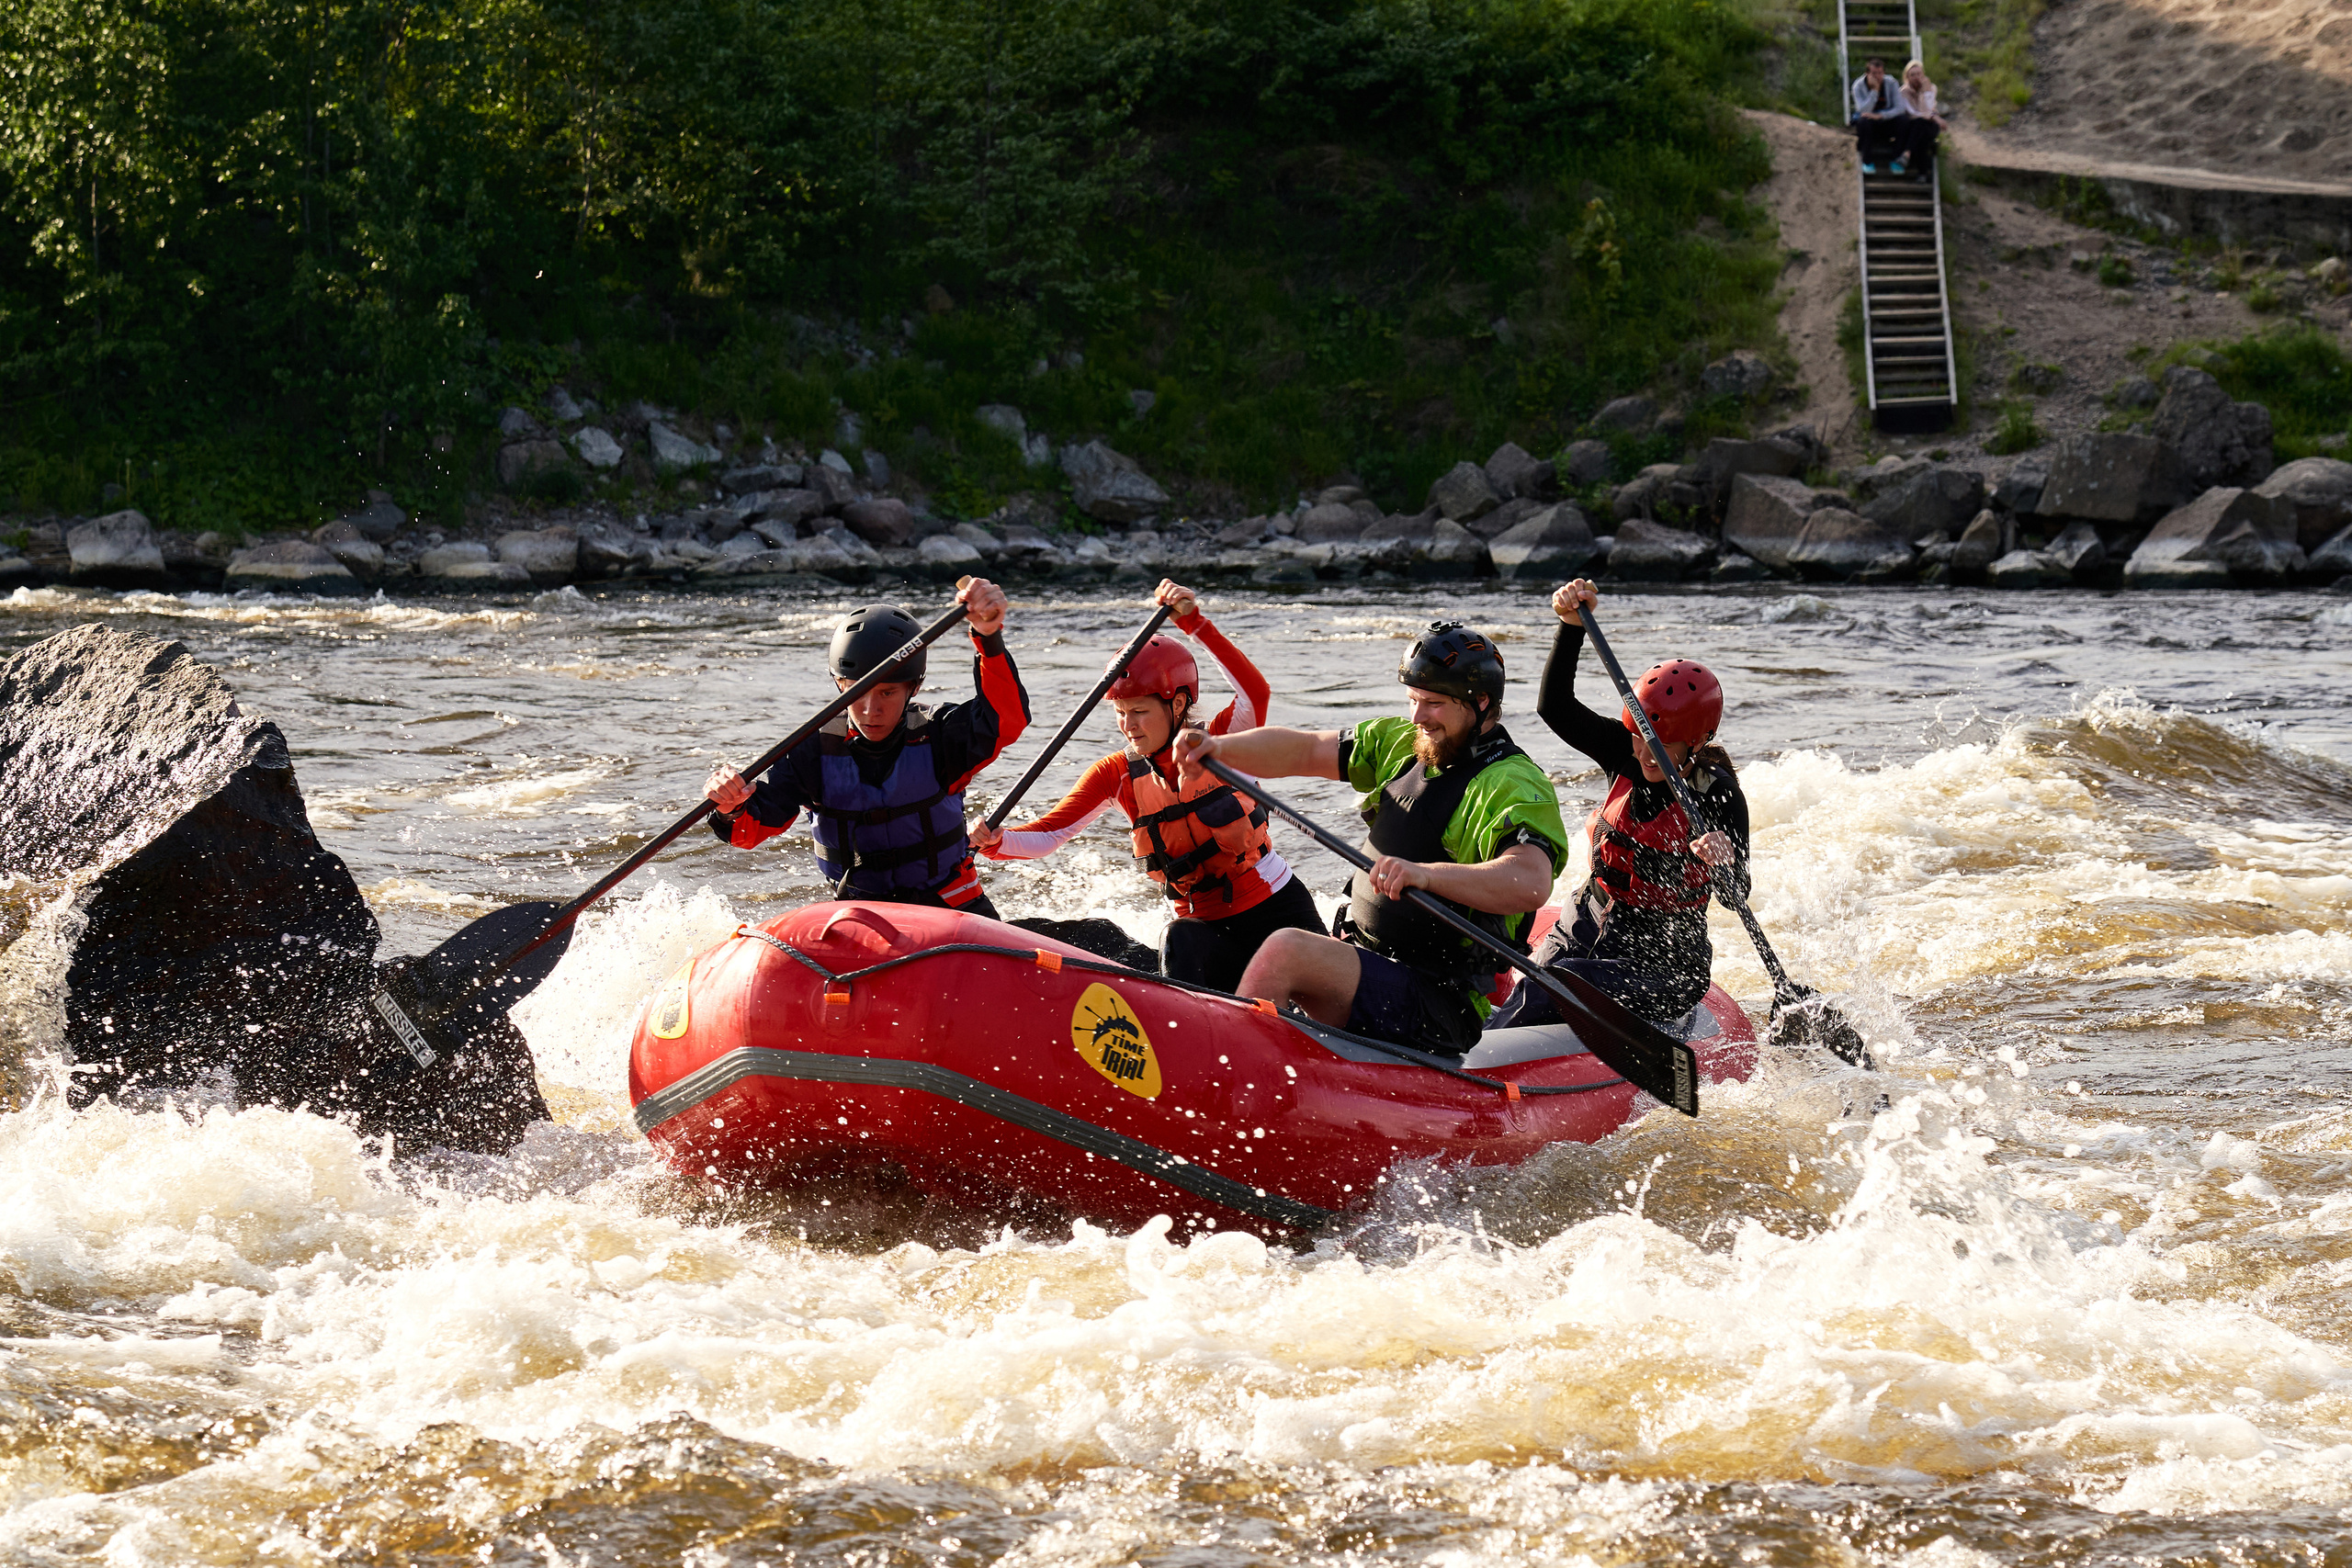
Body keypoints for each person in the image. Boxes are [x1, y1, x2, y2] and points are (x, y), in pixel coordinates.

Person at [1170, 623, 1567, 1055]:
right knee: (1191, 941)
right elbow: (1303, 750)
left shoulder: (1513, 783)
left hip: (1438, 999)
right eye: (1414, 700)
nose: (1418, 717)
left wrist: (1426, 875)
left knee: (1286, 949)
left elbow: (1531, 880)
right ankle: (1218, 1050)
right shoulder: (1402, 743)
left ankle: (1231, 1080)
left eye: (1433, 704)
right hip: (1371, 962)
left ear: (1481, 701)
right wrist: (1219, 748)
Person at [970, 579, 1322, 992]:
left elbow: (1254, 691)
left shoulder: (1225, 741)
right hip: (1204, 932)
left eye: (1139, 710)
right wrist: (993, 841)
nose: (1128, 725)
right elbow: (1050, 834)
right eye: (1121, 712)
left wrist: (1195, 623)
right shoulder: (1116, 774)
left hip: (1277, 911)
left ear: (1177, 704)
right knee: (1176, 937)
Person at [1485, 579, 1749, 1031]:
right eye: (1640, 735)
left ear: (1699, 741)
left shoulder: (1718, 793)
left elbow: (1736, 895)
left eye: (1664, 745)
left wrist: (1724, 861)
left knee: (1558, 982)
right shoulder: (1624, 750)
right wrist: (1571, 628)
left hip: (1665, 964)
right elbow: (1555, 708)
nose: (1647, 753)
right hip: (1588, 922)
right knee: (1538, 981)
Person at [703, 579, 1029, 915]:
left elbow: (1007, 717)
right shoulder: (810, 751)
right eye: (857, 691)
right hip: (864, 916)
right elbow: (750, 832)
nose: (871, 710)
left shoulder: (941, 736)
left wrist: (988, 637)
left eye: (887, 692)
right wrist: (731, 805)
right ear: (838, 684)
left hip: (953, 908)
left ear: (913, 689)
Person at [1892, 59, 1949, 178]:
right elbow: (1913, 113)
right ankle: (1922, 173)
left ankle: (1907, 154)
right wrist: (1935, 118)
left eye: (1919, 74)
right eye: (1913, 75)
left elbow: (1928, 108)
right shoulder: (1903, 92)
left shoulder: (1931, 88)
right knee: (1921, 131)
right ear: (1907, 77)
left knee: (1922, 127)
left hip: (1928, 124)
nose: (1916, 77)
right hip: (1914, 124)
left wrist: (1923, 93)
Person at [1849, 57, 1900, 172]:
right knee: (1863, 121)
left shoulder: (1892, 83)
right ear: (1867, 73)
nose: (1877, 76)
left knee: (1903, 120)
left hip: (1885, 120)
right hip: (1869, 123)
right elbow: (1863, 110)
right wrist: (1875, 91)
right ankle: (1867, 162)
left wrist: (1881, 115)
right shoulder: (1858, 86)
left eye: (1880, 73)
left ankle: (1897, 160)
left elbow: (1899, 108)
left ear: (1884, 73)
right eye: (1873, 73)